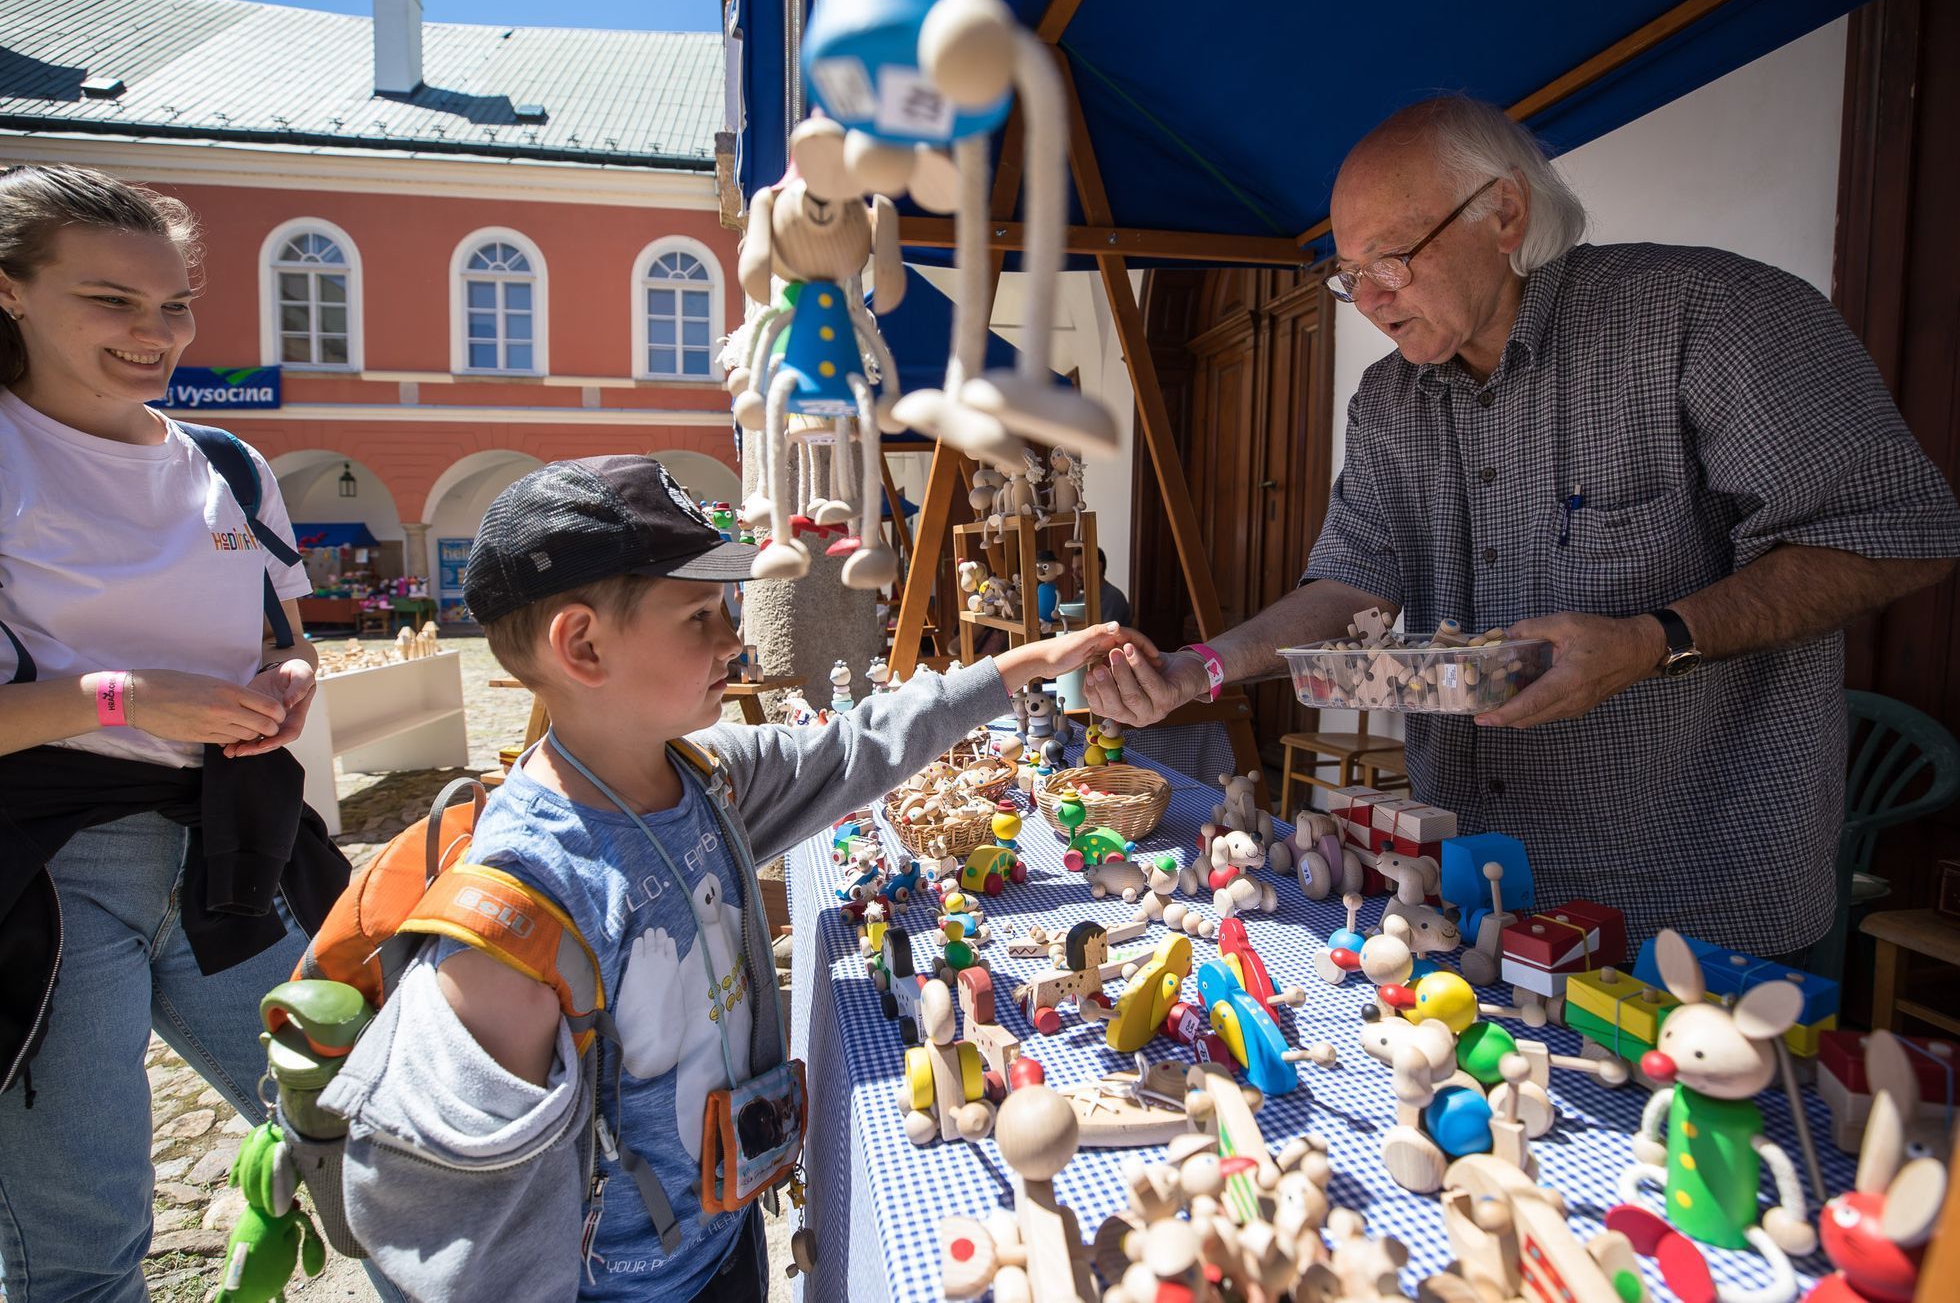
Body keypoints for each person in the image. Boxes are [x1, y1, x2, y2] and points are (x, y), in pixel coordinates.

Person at [1086, 96, 1960, 957]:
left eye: (1392, 258)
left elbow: (1894, 534)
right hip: (1466, 880)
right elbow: (1354, 577)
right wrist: (1198, 668)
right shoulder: (1391, 398)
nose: (1370, 300)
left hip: (1690, 893)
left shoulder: (1704, 315)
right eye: (1349, 275)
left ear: (1504, 212)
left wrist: (1656, 641)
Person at [323, 454, 1133, 1300]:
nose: (732, 638)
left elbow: (854, 748)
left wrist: (1019, 667)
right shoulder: (523, 908)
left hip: (724, 1242)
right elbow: (444, 1223)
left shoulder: (704, 779)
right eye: (699, 616)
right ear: (583, 645)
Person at [0, 165, 343, 1300]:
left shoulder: (229, 464)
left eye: (175, 303)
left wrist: (287, 679)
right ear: (10, 292)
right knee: (84, 1243)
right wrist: (126, 697)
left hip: (230, 850)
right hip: (45, 874)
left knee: (362, 1129)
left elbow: (283, 638)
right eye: (111, 301)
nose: (156, 334)